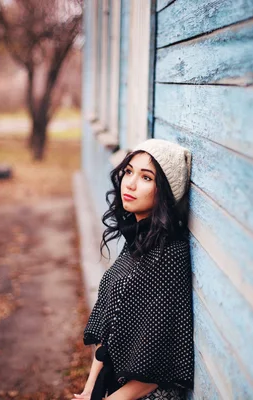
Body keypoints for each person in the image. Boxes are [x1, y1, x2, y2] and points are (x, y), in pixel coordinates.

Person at [74, 139, 194, 400]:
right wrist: (89, 390)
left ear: (164, 191)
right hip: (113, 387)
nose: (129, 184)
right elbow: (110, 328)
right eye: (129, 171)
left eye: (146, 177)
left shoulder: (168, 254)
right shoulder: (138, 240)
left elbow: (156, 372)